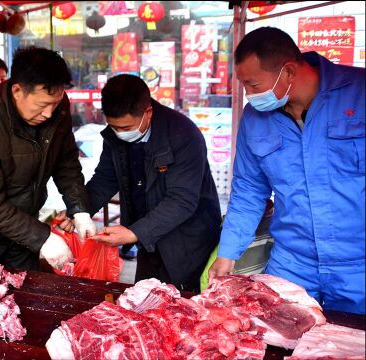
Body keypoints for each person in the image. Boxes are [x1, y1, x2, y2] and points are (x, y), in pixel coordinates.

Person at [208, 27, 365, 314]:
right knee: (280, 342)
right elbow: (248, 192)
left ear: (289, 71)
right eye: (243, 85)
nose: (249, 95)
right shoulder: (255, 119)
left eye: (254, 85)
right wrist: (228, 253)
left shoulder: (359, 93)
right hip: (293, 262)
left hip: (358, 265)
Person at [0, 47, 96, 271]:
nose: (48, 113)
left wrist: (80, 209)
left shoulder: (57, 106)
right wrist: (42, 238)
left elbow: (65, 160)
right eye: (41, 105)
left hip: (24, 221)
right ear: (17, 91)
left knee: (26, 292)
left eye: (54, 103)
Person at [86, 74, 221, 292]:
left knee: (181, 306)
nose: (120, 134)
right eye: (114, 127)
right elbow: (105, 178)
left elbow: (182, 200)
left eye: (126, 127)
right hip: (148, 239)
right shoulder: (114, 136)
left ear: (147, 112)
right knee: (144, 299)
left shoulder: (184, 135)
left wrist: (134, 233)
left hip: (186, 240)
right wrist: (79, 211)